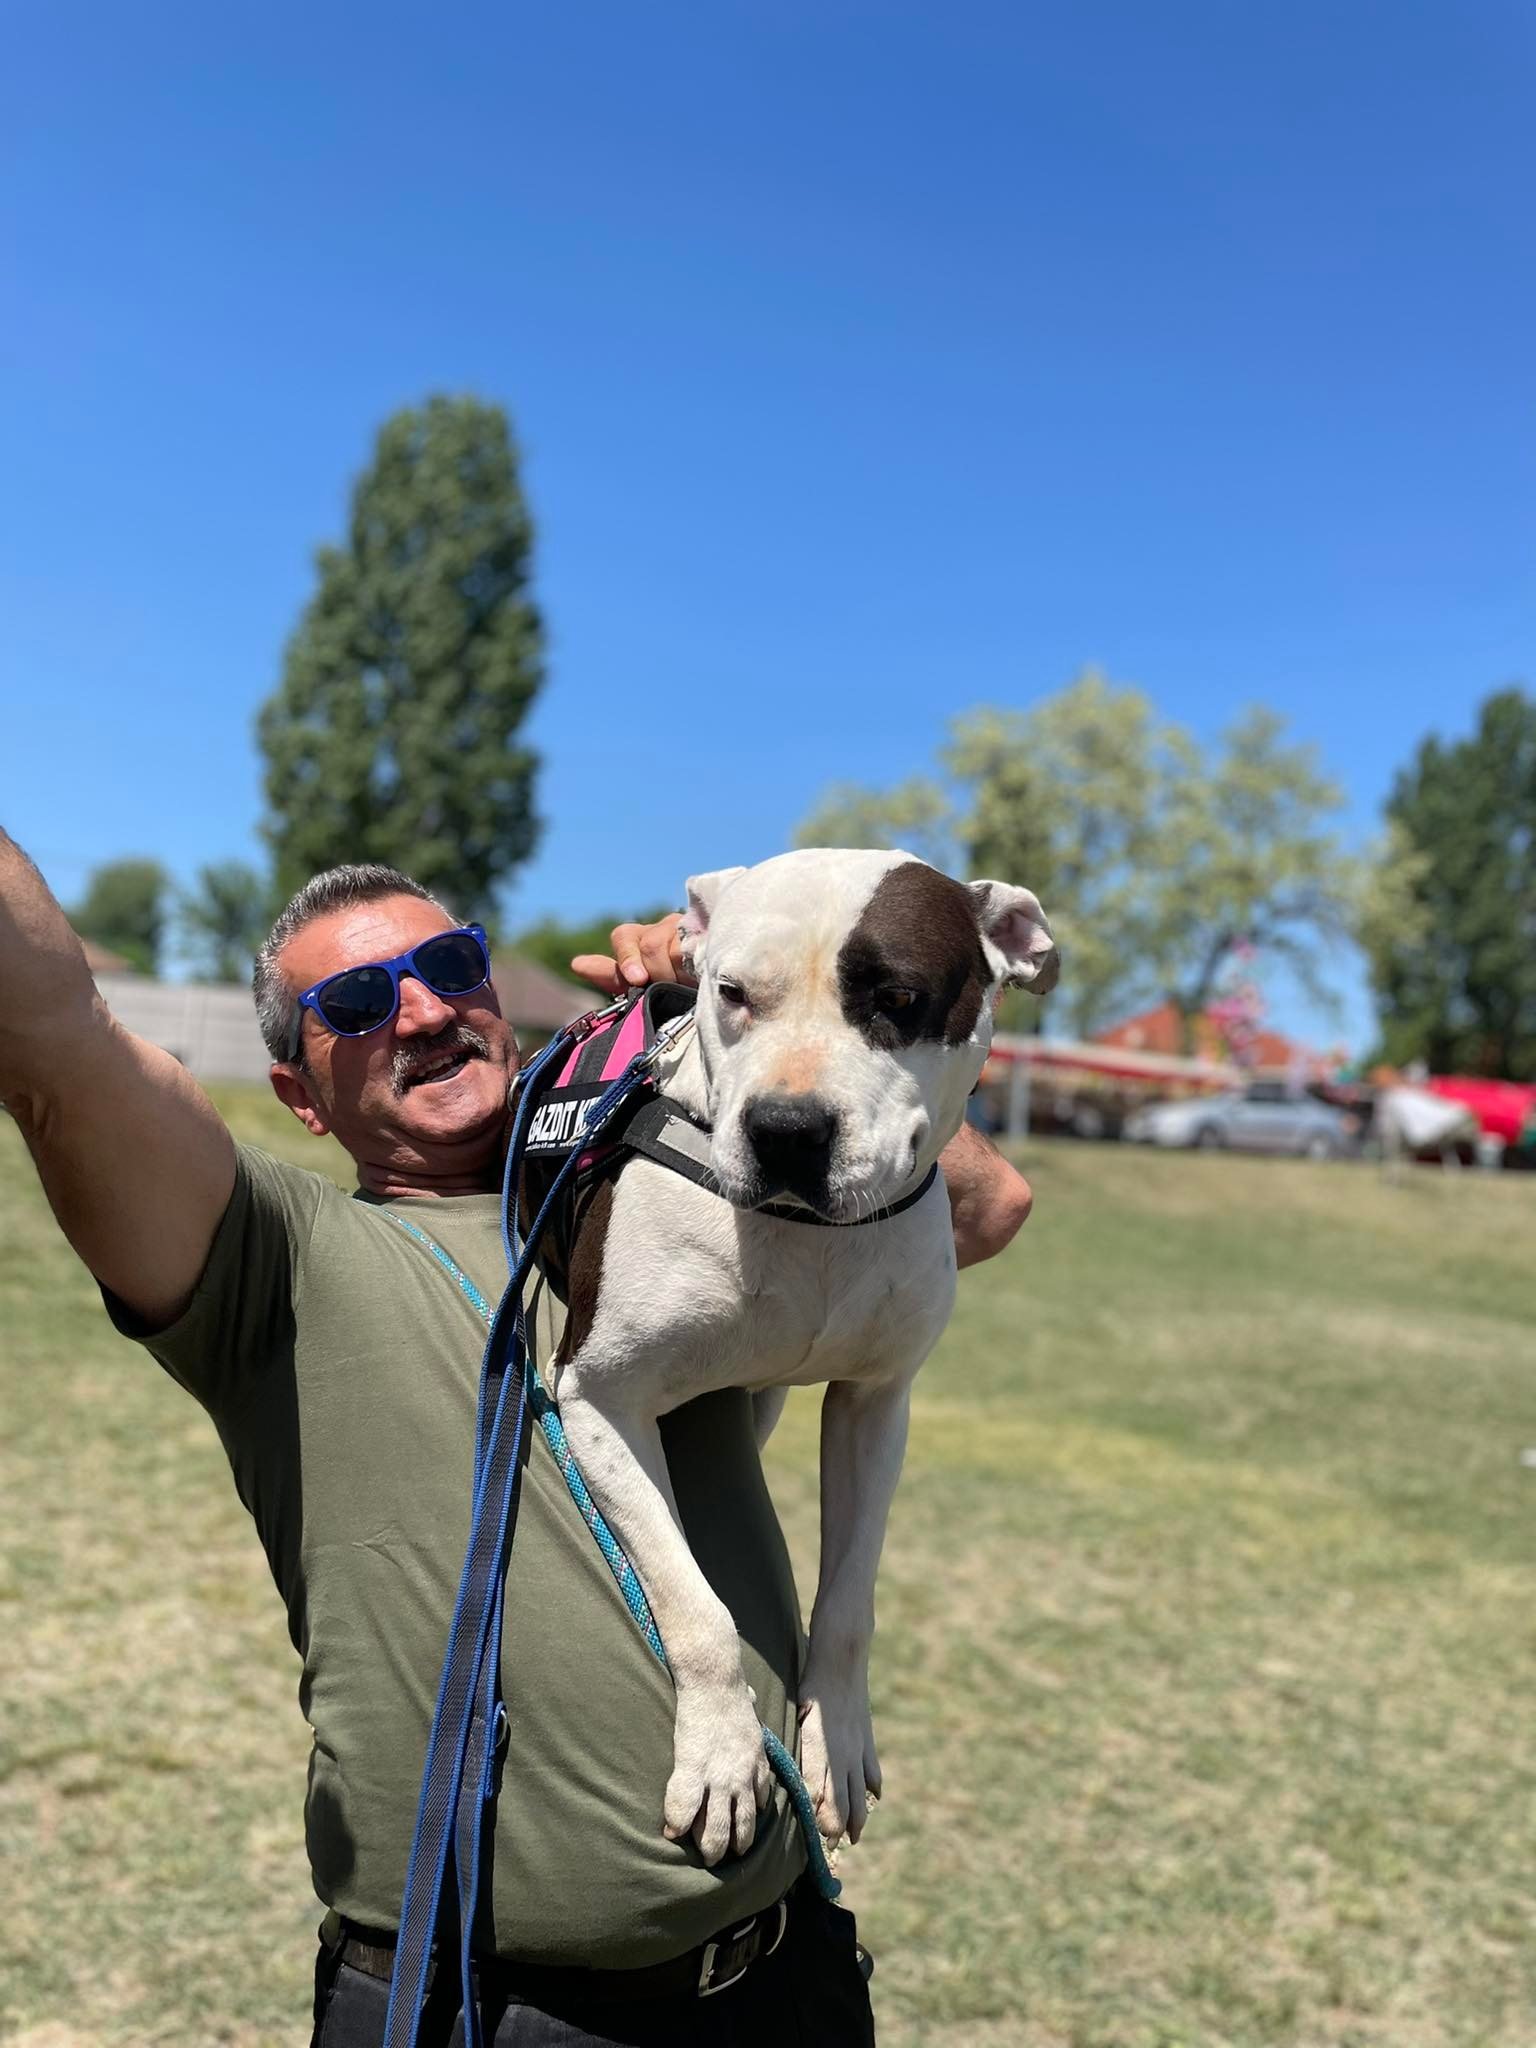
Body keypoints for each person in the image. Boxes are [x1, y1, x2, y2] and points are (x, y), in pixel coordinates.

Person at [0, 834, 1035, 2047]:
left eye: (450, 965)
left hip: (781, 1968)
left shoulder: (682, 1179)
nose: (425, 1008)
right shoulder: (270, 1254)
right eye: (358, 1001)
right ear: (300, 1095)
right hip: (484, 2006)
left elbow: (982, 1204)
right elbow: (55, 1036)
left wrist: (745, 999)